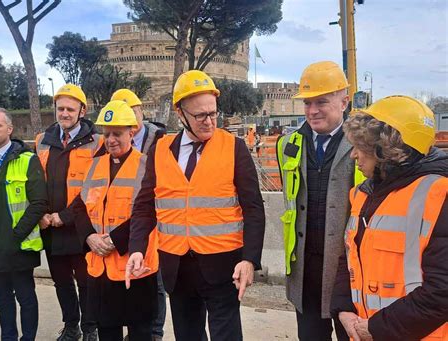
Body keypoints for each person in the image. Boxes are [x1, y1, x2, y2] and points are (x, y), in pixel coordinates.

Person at [126, 70, 265, 341]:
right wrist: (137, 248)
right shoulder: (161, 150)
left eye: (213, 113)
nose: (209, 121)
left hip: (224, 266)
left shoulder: (234, 147)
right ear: (180, 113)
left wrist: (249, 259)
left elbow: (254, 208)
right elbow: (144, 207)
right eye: (200, 115)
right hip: (176, 267)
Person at [331, 95, 448, 341]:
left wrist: (376, 329)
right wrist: (343, 308)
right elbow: (348, 257)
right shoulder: (363, 195)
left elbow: (442, 291)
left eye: (361, 148)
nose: (354, 155)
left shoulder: (439, 195)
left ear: (387, 150)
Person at [276, 61, 363, 340]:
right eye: (307, 103)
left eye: (321, 102)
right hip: (307, 269)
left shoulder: (364, 145)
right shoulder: (289, 145)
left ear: (344, 101)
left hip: (352, 270)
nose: (312, 111)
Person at [68, 100, 159, 341]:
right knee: (107, 330)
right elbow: (79, 206)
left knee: (140, 330)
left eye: (117, 134)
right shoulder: (95, 165)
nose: (110, 140)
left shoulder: (147, 165)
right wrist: (90, 237)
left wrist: (114, 240)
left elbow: (150, 211)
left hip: (136, 265)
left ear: (133, 131)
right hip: (101, 267)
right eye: (106, 134)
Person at [0, 107, 48, 340]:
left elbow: (38, 204)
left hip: (18, 245)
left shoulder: (26, 159)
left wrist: (15, 236)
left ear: (9, 128)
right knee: (1, 299)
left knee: (25, 298)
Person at [35, 84, 102, 341]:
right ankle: (71, 326)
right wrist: (42, 213)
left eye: (70, 109)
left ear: (82, 111)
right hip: (51, 227)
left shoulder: (97, 142)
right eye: (60, 108)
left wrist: (66, 215)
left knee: (86, 282)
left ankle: (90, 329)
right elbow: (36, 181)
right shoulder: (43, 140)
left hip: (81, 227)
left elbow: (94, 187)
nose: (64, 113)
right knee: (62, 282)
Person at [110, 89, 166, 341]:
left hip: (156, 224)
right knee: (133, 282)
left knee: (156, 284)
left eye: (132, 110)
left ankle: (154, 332)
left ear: (141, 110)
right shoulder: (110, 143)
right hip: (126, 227)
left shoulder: (160, 139)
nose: (128, 117)